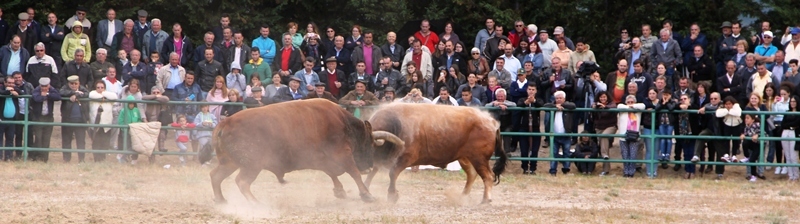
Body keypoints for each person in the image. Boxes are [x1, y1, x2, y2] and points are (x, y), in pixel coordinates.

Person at [542, 91, 575, 175]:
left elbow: (573, 106)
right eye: (557, 98)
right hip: (554, 135)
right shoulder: (552, 106)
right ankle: (553, 170)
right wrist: (555, 106)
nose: (559, 100)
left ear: (564, 99)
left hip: (566, 134)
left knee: (566, 153)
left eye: (560, 98)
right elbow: (545, 106)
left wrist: (562, 106)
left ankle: (566, 169)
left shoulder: (568, 106)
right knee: (554, 154)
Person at [59, 75, 89, 163]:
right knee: (66, 141)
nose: (74, 85)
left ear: (79, 83)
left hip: (80, 120)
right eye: (71, 84)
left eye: (76, 83)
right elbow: (61, 93)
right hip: (67, 119)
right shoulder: (65, 89)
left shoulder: (83, 89)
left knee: (81, 141)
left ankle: (81, 159)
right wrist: (74, 93)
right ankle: (66, 159)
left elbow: (87, 94)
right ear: (68, 84)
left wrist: (76, 95)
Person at [29, 77, 60, 162]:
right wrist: (44, 96)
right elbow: (36, 98)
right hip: (38, 117)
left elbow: (58, 96)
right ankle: (36, 157)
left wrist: (46, 95)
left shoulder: (52, 90)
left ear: (49, 85)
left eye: (46, 86)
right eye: (42, 86)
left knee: (46, 139)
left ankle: (44, 158)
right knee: (38, 138)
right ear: (40, 85)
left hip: (48, 117)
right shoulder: (36, 90)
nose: (44, 88)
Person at [88, 80, 117, 162]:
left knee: (104, 144)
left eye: (102, 87)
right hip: (95, 124)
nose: (100, 89)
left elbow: (114, 97)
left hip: (106, 125)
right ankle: (97, 160)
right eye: (98, 87)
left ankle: (102, 160)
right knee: (96, 143)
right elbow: (92, 95)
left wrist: (103, 93)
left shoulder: (108, 96)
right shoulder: (93, 94)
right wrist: (102, 96)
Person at [517, 83, 543, 174]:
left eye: (533, 89)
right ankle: (524, 167)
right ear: (526, 90)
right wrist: (526, 103)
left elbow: (541, 105)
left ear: (536, 91)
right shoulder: (522, 99)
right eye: (529, 89)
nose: (531, 91)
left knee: (534, 149)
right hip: (524, 127)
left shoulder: (538, 100)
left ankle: (533, 168)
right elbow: (518, 107)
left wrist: (534, 101)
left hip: (535, 127)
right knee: (524, 149)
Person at [617, 95, 646, 178]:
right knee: (625, 155)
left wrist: (633, 106)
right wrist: (629, 107)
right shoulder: (623, 110)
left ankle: (631, 172)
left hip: (634, 135)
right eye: (628, 102)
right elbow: (619, 106)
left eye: (632, 102)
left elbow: (643, 106)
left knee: (633, 155)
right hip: (623, 135)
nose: (630, 104)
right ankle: (626, 171)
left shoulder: (638, 110)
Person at [592, 91, 618, 176]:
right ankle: (606, 169)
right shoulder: (596, 104)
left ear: (607, 97)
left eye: (604, 97)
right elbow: (592, 112)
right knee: (605, 147)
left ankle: (603, 155)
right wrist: (594, 107)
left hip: (611, 126)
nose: (602, 99)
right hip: (599, 127)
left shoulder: (611, 104)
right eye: (601, 97)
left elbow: (614, 107)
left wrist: (605, 107)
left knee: (604, 137)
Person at [676, 93, 698, 179]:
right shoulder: (678, 107)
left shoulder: (694, 107)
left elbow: (696, 113)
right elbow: (672, 107)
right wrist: (679, 106)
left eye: (685, 98)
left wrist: (688, 107)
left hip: (692, 133)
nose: (683, 101)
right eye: (681, 99)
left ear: (689, 99)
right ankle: (687, 170)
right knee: (686, 153)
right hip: (682, 133)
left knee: (692, 152)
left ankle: (692, 171)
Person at [655, 89, 677, 171]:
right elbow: (656, 109)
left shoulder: (673, 101)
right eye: (664, 94)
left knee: (668, 139)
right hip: (661, 123)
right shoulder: (660, 101)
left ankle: (667, 154)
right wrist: (663, 103)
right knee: (663, 139)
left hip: (669, 123)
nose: (665, 96)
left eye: (667, 94)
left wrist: (667, 102)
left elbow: (671, 108)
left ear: (670, 95)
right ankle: (662, 154)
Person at [780, 95, 800, 181]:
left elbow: (797, 123)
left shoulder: (798, 113)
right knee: (787, 155)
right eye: (791, 101)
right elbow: (783, 124)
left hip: (794, 133)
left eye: (794, 101)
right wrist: (791, 125)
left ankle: (796, 175)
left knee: (793, 156)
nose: (792, 103)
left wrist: (791, 125)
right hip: (785, 133)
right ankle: (790, 175)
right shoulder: (787, 112)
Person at [740, 114, 763, 182]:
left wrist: (757, 135)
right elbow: (746, 134)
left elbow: (763, 133)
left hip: (759, 145)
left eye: (748, 118)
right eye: (745, 118)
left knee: (752, 160)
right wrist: (743, 135)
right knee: (745, 142)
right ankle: (746, 157)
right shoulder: (746, 126)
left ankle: (754, 176)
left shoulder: (757, 125)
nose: (746, 120)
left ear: (752, 120)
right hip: (752, 143)